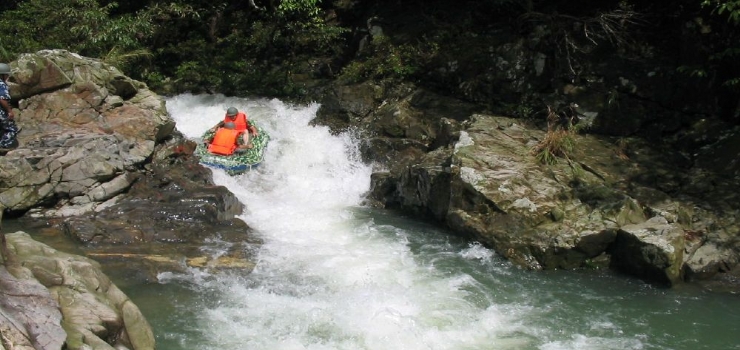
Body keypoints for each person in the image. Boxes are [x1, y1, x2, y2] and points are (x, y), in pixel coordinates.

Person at [0, 63, 18, 150]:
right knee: (11, 129)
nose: (7, 77)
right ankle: (4, 145)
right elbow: (2, 99)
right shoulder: (1, 84)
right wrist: (9, 111)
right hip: (1, 112)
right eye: (6, 74)